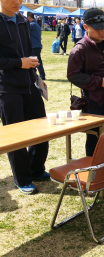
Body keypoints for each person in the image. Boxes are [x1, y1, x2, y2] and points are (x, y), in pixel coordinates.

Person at [0, 0, 49, 195]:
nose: (17, 2)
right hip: (7, 88)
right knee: (16, 136)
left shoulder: (23, 20)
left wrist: (33, 70)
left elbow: (29, 49)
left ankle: (36, 169)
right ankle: (22, 178)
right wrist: (18, 63)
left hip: (30, 84)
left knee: (41, 131)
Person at [67, 8, 104, 157]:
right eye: (98, 29)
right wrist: (100, 81)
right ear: (85, 27)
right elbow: (73, 75)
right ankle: (92, 171)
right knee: (95, 139)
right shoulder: (80, 49)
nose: (102, 32)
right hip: (94, 103)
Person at [27, 12, 46, 80]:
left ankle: (42, 75)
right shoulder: (36, 24)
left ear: (29, 17)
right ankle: (39, 74)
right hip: (37, 45)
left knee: (36, 61)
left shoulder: (31, 25)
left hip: (34, 46)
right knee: (36, 61)